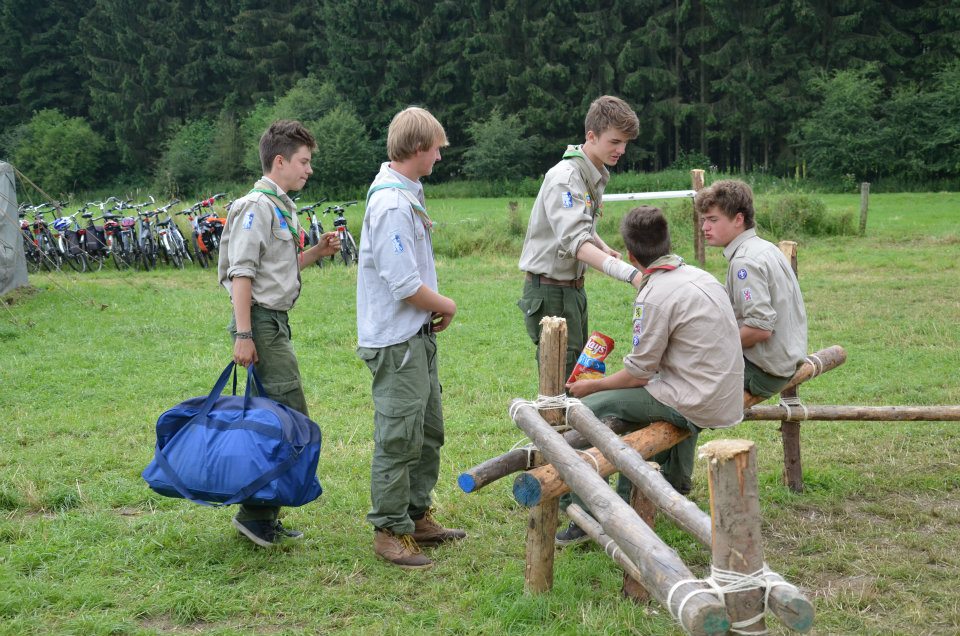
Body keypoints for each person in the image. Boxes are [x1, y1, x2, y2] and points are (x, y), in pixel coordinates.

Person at [558, 206, 744, 544]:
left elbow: (638, 373)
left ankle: (580, 509)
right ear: (668, 242)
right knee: (645, 403)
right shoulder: (700, 276)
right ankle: (672, 480)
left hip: (697, 399)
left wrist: (592, 387)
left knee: (591, 409)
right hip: (725, 393)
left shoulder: (655, 295)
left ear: (630, 255)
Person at [218, 119, 341, 547]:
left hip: (274, 323)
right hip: (262, 325)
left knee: (275, 418)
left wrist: (317, 253)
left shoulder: (280, 205)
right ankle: (256, 514)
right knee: (290, 418)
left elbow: (277, 269)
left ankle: (260, 513)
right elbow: (242, 274)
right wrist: (244, 334)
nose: (309, 170)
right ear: (280, 161)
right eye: (304, 162)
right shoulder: (256, 207)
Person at [356, 106, 465, 570]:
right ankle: (388, 529)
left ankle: (416, 515)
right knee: (400, 436)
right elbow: (403, 283)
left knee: (428, 431)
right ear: (418, 148)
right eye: (437, 147)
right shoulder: (391, 204)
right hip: (397, 342)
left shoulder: (407, 195)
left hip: (415, 336)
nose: (440, 156)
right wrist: (446, 305)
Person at [518, 95, 641, 379]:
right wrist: (629, 274)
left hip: (571, 289)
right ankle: (556, 424)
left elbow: (583, 227)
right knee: (563, 374)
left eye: (625, 143)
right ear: (591, 136)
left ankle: (566, 422)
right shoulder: (566, 178)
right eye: (614, 141)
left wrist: (603, 247)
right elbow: (575, 241)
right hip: (551, 292)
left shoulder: (591, 173)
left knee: (579, 370)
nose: (621, 149)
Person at [697, 179, 808, 399]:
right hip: (786, 360)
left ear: (739, 219)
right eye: (703, 220)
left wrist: (713, 348)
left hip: (765, 372)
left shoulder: (744, 262)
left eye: (712, 220)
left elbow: (760, 328)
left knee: (682, 375)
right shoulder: (764, 247)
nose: (704, 228)